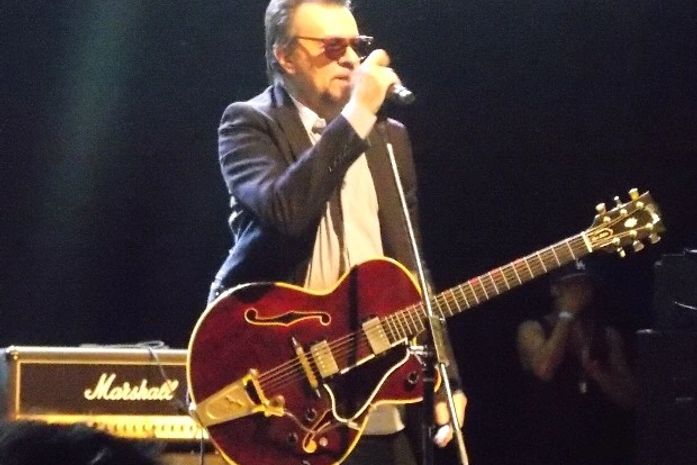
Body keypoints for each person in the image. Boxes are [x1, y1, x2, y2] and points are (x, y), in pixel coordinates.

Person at [206, 1, 466, 464]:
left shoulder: (389, 137)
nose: (350, 58)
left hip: (376, 388)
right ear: (286, 56)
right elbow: (287, 211)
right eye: (331, 46)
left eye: (354, 45)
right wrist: (358, 114)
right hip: (284, 389)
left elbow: (411, 263)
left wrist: (448, 375)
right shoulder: (249, 123)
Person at [516, 261, 638, 465]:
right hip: (549, 448)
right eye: (573, 286)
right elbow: (544, 369)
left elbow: (631, 398)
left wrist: (599, 374)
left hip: (601, 447)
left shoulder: (607, 335)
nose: (579, 292)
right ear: (555, 289)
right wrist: (567, 315)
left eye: (585, 285)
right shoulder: (532, 329)